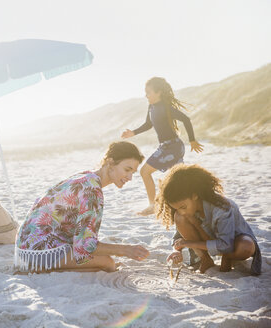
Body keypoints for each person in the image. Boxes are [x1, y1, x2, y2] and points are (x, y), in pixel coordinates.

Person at [14, 141, 150, 273]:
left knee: (103, 261)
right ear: (110, 162)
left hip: (25, 245)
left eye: (133, 172)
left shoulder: (86, 176)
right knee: (108, 263)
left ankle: (51, 266)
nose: (130, 177)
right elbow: (86, 245)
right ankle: (42, 269)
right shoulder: (92, 190)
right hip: (39, 251)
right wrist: (126, 250)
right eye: (127, 170)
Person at [155, 164, 261, 275]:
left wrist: (190, 243)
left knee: (246, 247)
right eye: (177, 208)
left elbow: (226, 245)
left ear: (195, 196)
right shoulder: (185, 212)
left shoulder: (221, 207)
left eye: (183, 207)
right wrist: (176, 251)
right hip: (211, 241)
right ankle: (205, 259)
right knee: (179, 217)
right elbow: (179, 238)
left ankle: (228, 258)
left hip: (233, 242)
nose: (182, 211)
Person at [121, 77, 204, 215]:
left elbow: (186, 119)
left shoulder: (166, 107)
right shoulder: (151, 107)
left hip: (173, 147)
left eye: (148, 92)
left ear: (158, 92)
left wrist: (192, 140)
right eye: (145, 92)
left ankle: (153, 205)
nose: (146, 95)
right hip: (166, 147)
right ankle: (196, 200)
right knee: (180, 179)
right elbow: (148, 124)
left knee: (145, 172)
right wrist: (133, 132)